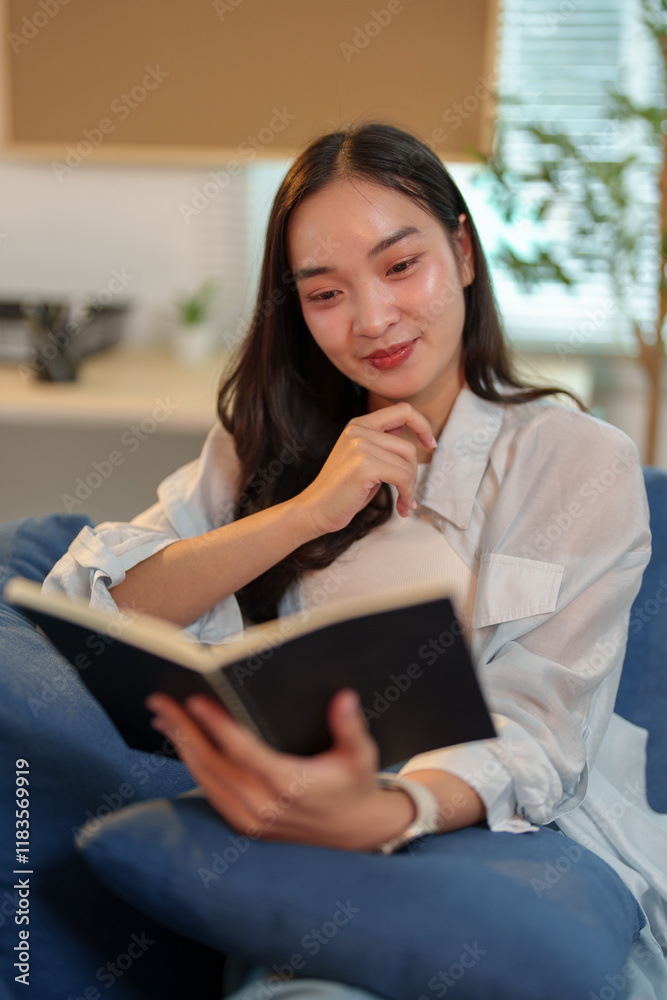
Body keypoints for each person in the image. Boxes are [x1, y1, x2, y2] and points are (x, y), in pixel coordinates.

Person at [43, 122, 667, 999]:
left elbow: (543, 732)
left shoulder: (572, 459)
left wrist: (384, 810)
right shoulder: (264, 443)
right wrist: (302, 515)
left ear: (461, 251)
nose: (372, 320)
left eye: (400, 266)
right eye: (325, 292)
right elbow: (108, 607)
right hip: (296, 837)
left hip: (516, 839)